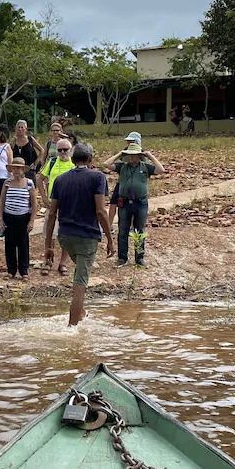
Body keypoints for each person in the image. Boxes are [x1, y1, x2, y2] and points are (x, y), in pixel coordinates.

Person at [44, 142, 113, 326]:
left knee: (79, 276)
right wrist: (110, 238)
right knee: (80, 286)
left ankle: (80, 312)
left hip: (65, 237)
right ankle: (72, 327)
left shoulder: (60, 180)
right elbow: (101, 211)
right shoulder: (98, 178)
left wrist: (48, 246)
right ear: (90, 159)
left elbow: (52, 214)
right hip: (87, 237)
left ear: (73, 160)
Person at [104, 142, 165, 267]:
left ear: (139, 155)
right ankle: (122, 258)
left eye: (134, 155)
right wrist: (120, 154)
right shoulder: (122, 167)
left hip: (141, 202)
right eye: (129, 155)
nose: (131, 157)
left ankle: (139, 258)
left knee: (140, 230)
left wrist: (150, 156)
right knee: (123, 230)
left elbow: (161, 170)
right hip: (125, 202)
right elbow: (106, 164)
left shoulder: (146, 167)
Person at [38, 136, 74, 276]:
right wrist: (44, 198)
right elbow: (40, 178)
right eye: (60, 150)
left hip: (69, 204)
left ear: (70, 150)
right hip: (53, 203)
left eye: (66, 150)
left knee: (66, 234)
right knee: (49, 233)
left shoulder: (74, 164)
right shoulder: (52, 162)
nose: (63, 152)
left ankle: (63, 263)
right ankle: (48, 261)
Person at [0, 157, 37, 279]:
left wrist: (31, 221)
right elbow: (2, 202)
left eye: (19, 168)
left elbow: (34, 203)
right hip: (9, 216)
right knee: (9, 243)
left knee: (23, 244)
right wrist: (0, 219)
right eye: (14, 168)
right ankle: (11, 270)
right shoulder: (7, 183)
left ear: (23, 170)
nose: (16, 170)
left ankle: (24, 271)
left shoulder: (29, 183)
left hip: (23, 216)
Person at [108, 130, 141, 233]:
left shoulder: (141, 153)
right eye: (128, 141)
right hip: (122, 182)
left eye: (131, 141)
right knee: (113, 203)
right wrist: (120, 154)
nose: (129, 143)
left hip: (134, 184)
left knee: (131, 204)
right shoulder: (125, 152)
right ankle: (108, 226)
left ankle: (131, 227)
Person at [11, 119, 45, 184]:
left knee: (30, 187)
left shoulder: (30, 139)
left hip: (29, 169)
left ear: (25, 129)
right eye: (18, 127)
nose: (20, 129)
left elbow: (41, 150)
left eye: (22, 127)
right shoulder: (13, 141)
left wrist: (36, 162)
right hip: (17, 169)